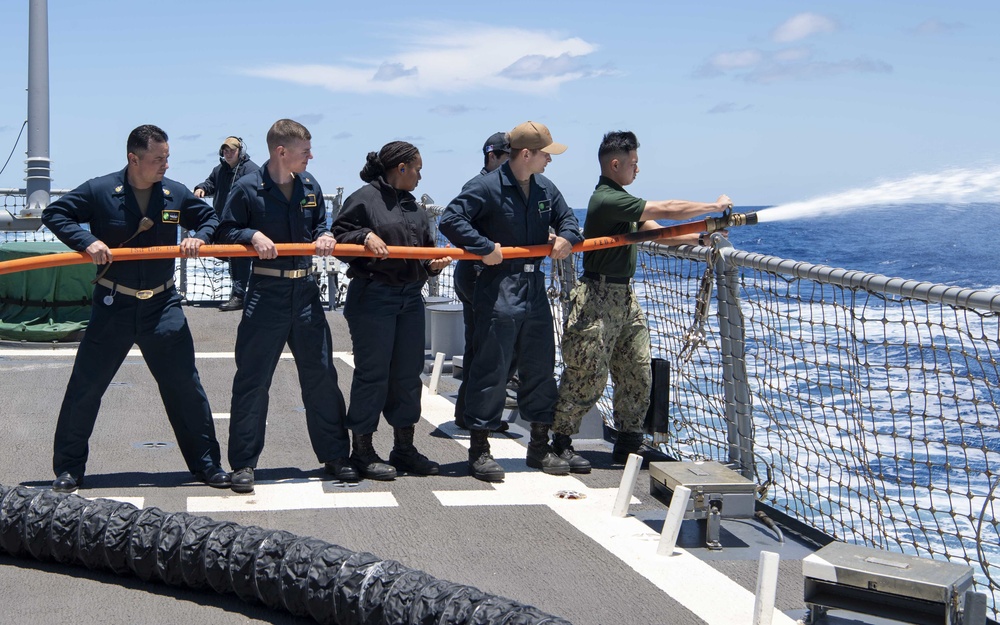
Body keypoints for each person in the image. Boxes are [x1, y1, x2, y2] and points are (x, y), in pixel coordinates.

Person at [42, 124, 230, 493]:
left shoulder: (175, 194)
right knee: (86, 387)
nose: (165, 165)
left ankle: (207, 465)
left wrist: (199, 236)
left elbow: (210, 218)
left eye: (167, 158)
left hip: (163, 305)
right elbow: (56, 214)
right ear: (134, 158)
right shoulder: (99, 190)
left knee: (186, 389)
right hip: (113, 305)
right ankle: (68, 469)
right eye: (158, 159)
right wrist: (87, 240)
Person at [551, 130, 732, 470]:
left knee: (637, 370)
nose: (637, 169)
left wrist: (702, 237)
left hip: (624, 296)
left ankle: (629, 441)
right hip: (597, 297)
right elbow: (667, 208)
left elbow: (658, 228)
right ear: (615, 164)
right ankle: (560, 442)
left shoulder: (623, 202)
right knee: (587, 373)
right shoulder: (607, 199)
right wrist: (714, 207)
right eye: (633, 163)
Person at [440, 121, 584, 482]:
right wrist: (484, 247)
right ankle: (479, 449)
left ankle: (538, 445)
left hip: (534, 284)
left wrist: (566, 236)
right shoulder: (486, 187)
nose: (550, 160)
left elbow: (568, 219)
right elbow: (451, 219)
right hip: (498, 284)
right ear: (526, 154)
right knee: (493, 364)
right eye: (546, 154)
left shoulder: (545, 188)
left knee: (539, 363)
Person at [217, 118, 356, 493]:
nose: (311, 156)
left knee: (322, 377)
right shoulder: (247, 188)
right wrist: (251, 234)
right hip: (266, 293)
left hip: (306, 294)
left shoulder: (310, 185)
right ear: (282, 152)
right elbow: (224, 230)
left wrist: (326, 234)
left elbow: (320, 224)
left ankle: (335, 456)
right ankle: (244, 463)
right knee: (252, 379)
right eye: (305, 151)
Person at [332, 141, 452, 480]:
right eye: (417, 168)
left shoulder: (414, 207)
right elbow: (339, 237)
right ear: (401, 168)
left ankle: (403, 448)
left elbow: (423, 256)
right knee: (373, 374)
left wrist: (433, 266)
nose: (420, 175)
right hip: (373, 297)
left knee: (407, 375)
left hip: (410, 298)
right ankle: (363, 450)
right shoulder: (364, 198)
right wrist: (364, 235)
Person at [452, 131, 511, 431]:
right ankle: (474, 415)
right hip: (476, 275)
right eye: (508, 158)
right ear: (492, 156)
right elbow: (454, 221)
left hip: (482, 276)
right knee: (483, 346)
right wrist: (486, 246)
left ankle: (472, 413)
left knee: (482, 346)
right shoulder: (479, 186)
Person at [193, 136, 260, 311]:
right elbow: (210, 183)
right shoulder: (219, 170)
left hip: (243, 225)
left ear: (241, 151)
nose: (228, 153)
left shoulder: (252, 170)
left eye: (232, 149)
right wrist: (201, 188)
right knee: (206, 241)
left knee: (239, 255)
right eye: (225, 150)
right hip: (222, 223)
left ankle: (239, 295)